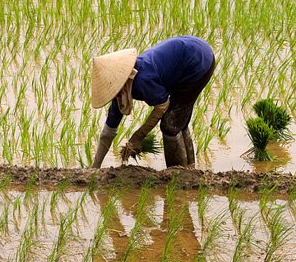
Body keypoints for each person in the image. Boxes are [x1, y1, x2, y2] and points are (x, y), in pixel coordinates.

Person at [90, 36, 215, 169]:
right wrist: (95, 168)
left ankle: (178, 178)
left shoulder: (142, 80)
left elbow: (162, 106)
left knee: (170, 126)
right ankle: (190, 169)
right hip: (191, 52)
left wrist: (139, 136)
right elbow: (108, 132)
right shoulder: (120, 90)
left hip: (198, 61)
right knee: (179, 121)